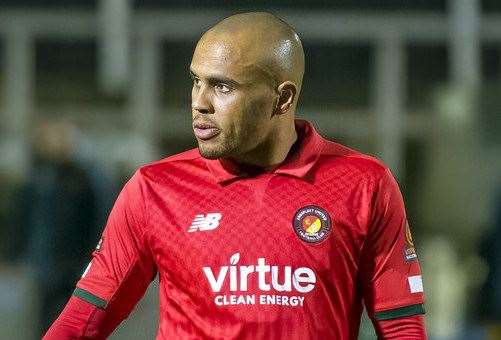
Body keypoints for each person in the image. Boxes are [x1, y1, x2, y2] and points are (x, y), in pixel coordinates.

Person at [44, 12, 426, 339]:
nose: (199, 102)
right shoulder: (154, 188)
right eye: (196, 81)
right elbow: (81, 324)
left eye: (222, 86)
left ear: (283, 98)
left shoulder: (364, 184)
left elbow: (401, 329)